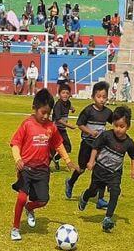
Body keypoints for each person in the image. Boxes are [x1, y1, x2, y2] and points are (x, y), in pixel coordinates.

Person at [9, 89, 79, 241]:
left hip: (42, 170)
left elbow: (58, 144)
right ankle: (15, 228)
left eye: (49, 113)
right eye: (43, 112)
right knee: (21, 198)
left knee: (43, 200)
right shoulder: (27, 124)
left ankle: (30, 208)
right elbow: (15, 143)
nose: (46, 116)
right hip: (26, 168)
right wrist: (18, 159)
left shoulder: (51, 127)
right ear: (34, 107)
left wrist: (67, 160)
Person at [77, 106, 134, 233]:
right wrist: (91, 161)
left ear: (128, 126)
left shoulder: (129, 143)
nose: (118, 129)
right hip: (100, 170)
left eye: (122, 127)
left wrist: (133, 171)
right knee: (93, 191)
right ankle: (85, 196)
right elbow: (95, 147)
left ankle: (108, 218)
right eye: (116, 125)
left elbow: (133, 156)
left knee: (115, 192)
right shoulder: (106, 136)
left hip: (114, 174)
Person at [64, 81, 112, 207]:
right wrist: (90, 132)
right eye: (99, 97)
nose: (102, 100)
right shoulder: (88, 111)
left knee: (101, 170)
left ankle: (100, 198)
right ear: (93, 97)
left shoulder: (107, 112)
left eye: (104, 97)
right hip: (87, 144)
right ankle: (70, 182)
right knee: (81, 168)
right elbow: (80, 124)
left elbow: (115, 123)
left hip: (100, 146)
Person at [51, 83, 76, 170]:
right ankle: (44, 166)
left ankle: (56, 159)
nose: (65, 95)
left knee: (68, 147)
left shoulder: (68, 102)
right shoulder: (58, 105)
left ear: (69, 94)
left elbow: (69, 106)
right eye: (63, 93)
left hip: (62, 130)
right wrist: (69, 125)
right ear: (59, 94)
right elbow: (58, 119)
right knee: (53, 148)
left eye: (67, 93)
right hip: (55, 129)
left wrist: (72, 109)